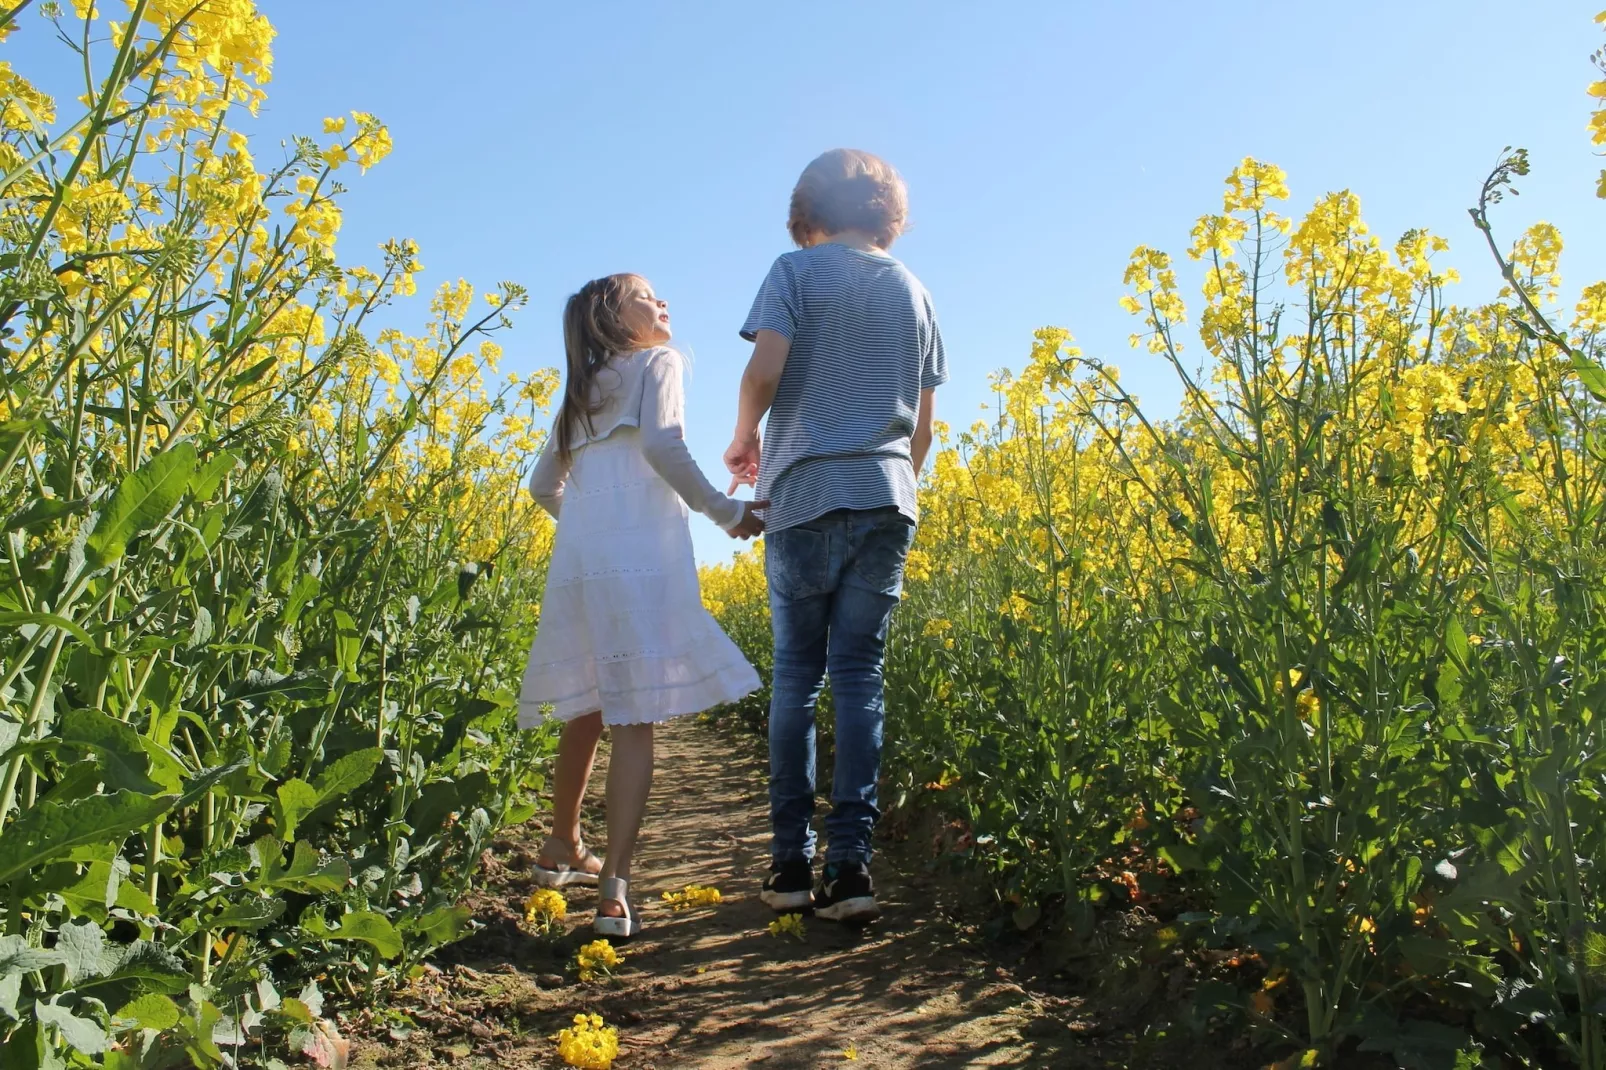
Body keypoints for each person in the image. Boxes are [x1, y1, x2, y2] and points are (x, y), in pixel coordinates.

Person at [726, 149, 947, 923]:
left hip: (807, 492)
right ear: (886, 210)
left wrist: (744, 435)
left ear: (809, 212)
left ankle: (790, 864)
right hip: (887, 496)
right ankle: (852, 868)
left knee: (797, 676)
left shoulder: (796, 271)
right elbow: (922, 429)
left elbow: (765, 369)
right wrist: (894, 482)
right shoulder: (916, 291)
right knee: (860, 678)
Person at [520, 273, 764, 937]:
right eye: (646, 295)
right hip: (641, 561)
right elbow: (662, 444)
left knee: (588, 706)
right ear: (610, 314)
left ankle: (560, 845)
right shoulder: (660, 360)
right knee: (636, 720)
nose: (664, 303)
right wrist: (724, 510)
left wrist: (587, 528)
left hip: (582, 562)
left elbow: (544, 484)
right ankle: (613, 890)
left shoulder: (581, 389)